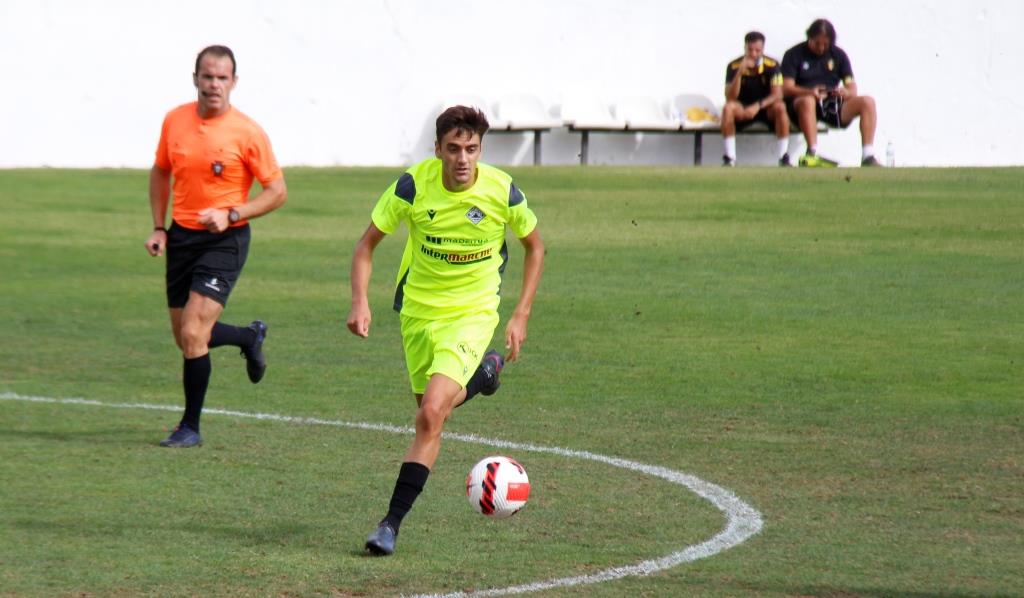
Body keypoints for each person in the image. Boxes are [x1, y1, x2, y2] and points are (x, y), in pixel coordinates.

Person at [347, 105, 545, 556]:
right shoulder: (412, 186)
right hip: (417, 313)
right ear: (436, 148)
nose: (462, 159)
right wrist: (360, 301)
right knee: (430, 414)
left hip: (473, 312)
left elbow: (535, 247)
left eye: (471, 149)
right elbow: (365, 246)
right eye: (453, 149)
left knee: (430, 414)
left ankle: (389, 524)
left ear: (480, 150)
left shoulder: (502, 192)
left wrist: (520, 314)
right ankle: (484, 377)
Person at [145, 45, 287, 448]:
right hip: (182, 237)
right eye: (207, 76)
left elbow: (277, 191)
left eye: (222, 77)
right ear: (195, 78)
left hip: (225, 239)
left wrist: (234, 213)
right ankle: (248, 338)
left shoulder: (247, 131)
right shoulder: (175, 120)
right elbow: (160, 171)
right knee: (187, 338)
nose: (214, 85)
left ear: (234, 83)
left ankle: (190, 427)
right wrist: (159, 227)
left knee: (194, 331)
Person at [781, 18, 881, 167]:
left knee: (868, 101)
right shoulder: (794, 54)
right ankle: (812, 152)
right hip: (802, 103)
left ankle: (868, 155)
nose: (821, 48)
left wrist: (845, 92)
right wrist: (810, 92)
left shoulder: (838, 55)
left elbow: (852, 87)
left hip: (831, 103)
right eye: (817, 43)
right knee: (807, 101)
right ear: (809, 38)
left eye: (826, 45)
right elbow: (786, 88)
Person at [721, 31, 791, 167]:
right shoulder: (733, 66)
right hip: (742, 109)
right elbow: (730, 97)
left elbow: (777, 94)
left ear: (763, 49)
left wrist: (758, 106)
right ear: (745, 48)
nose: (753, 54)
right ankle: (730, 158)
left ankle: (783, 157)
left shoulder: (772, 65)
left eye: (757, 50)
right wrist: (739, 73)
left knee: (780, 107)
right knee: (728, 108)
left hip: (765, 108)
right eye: (750, 50)